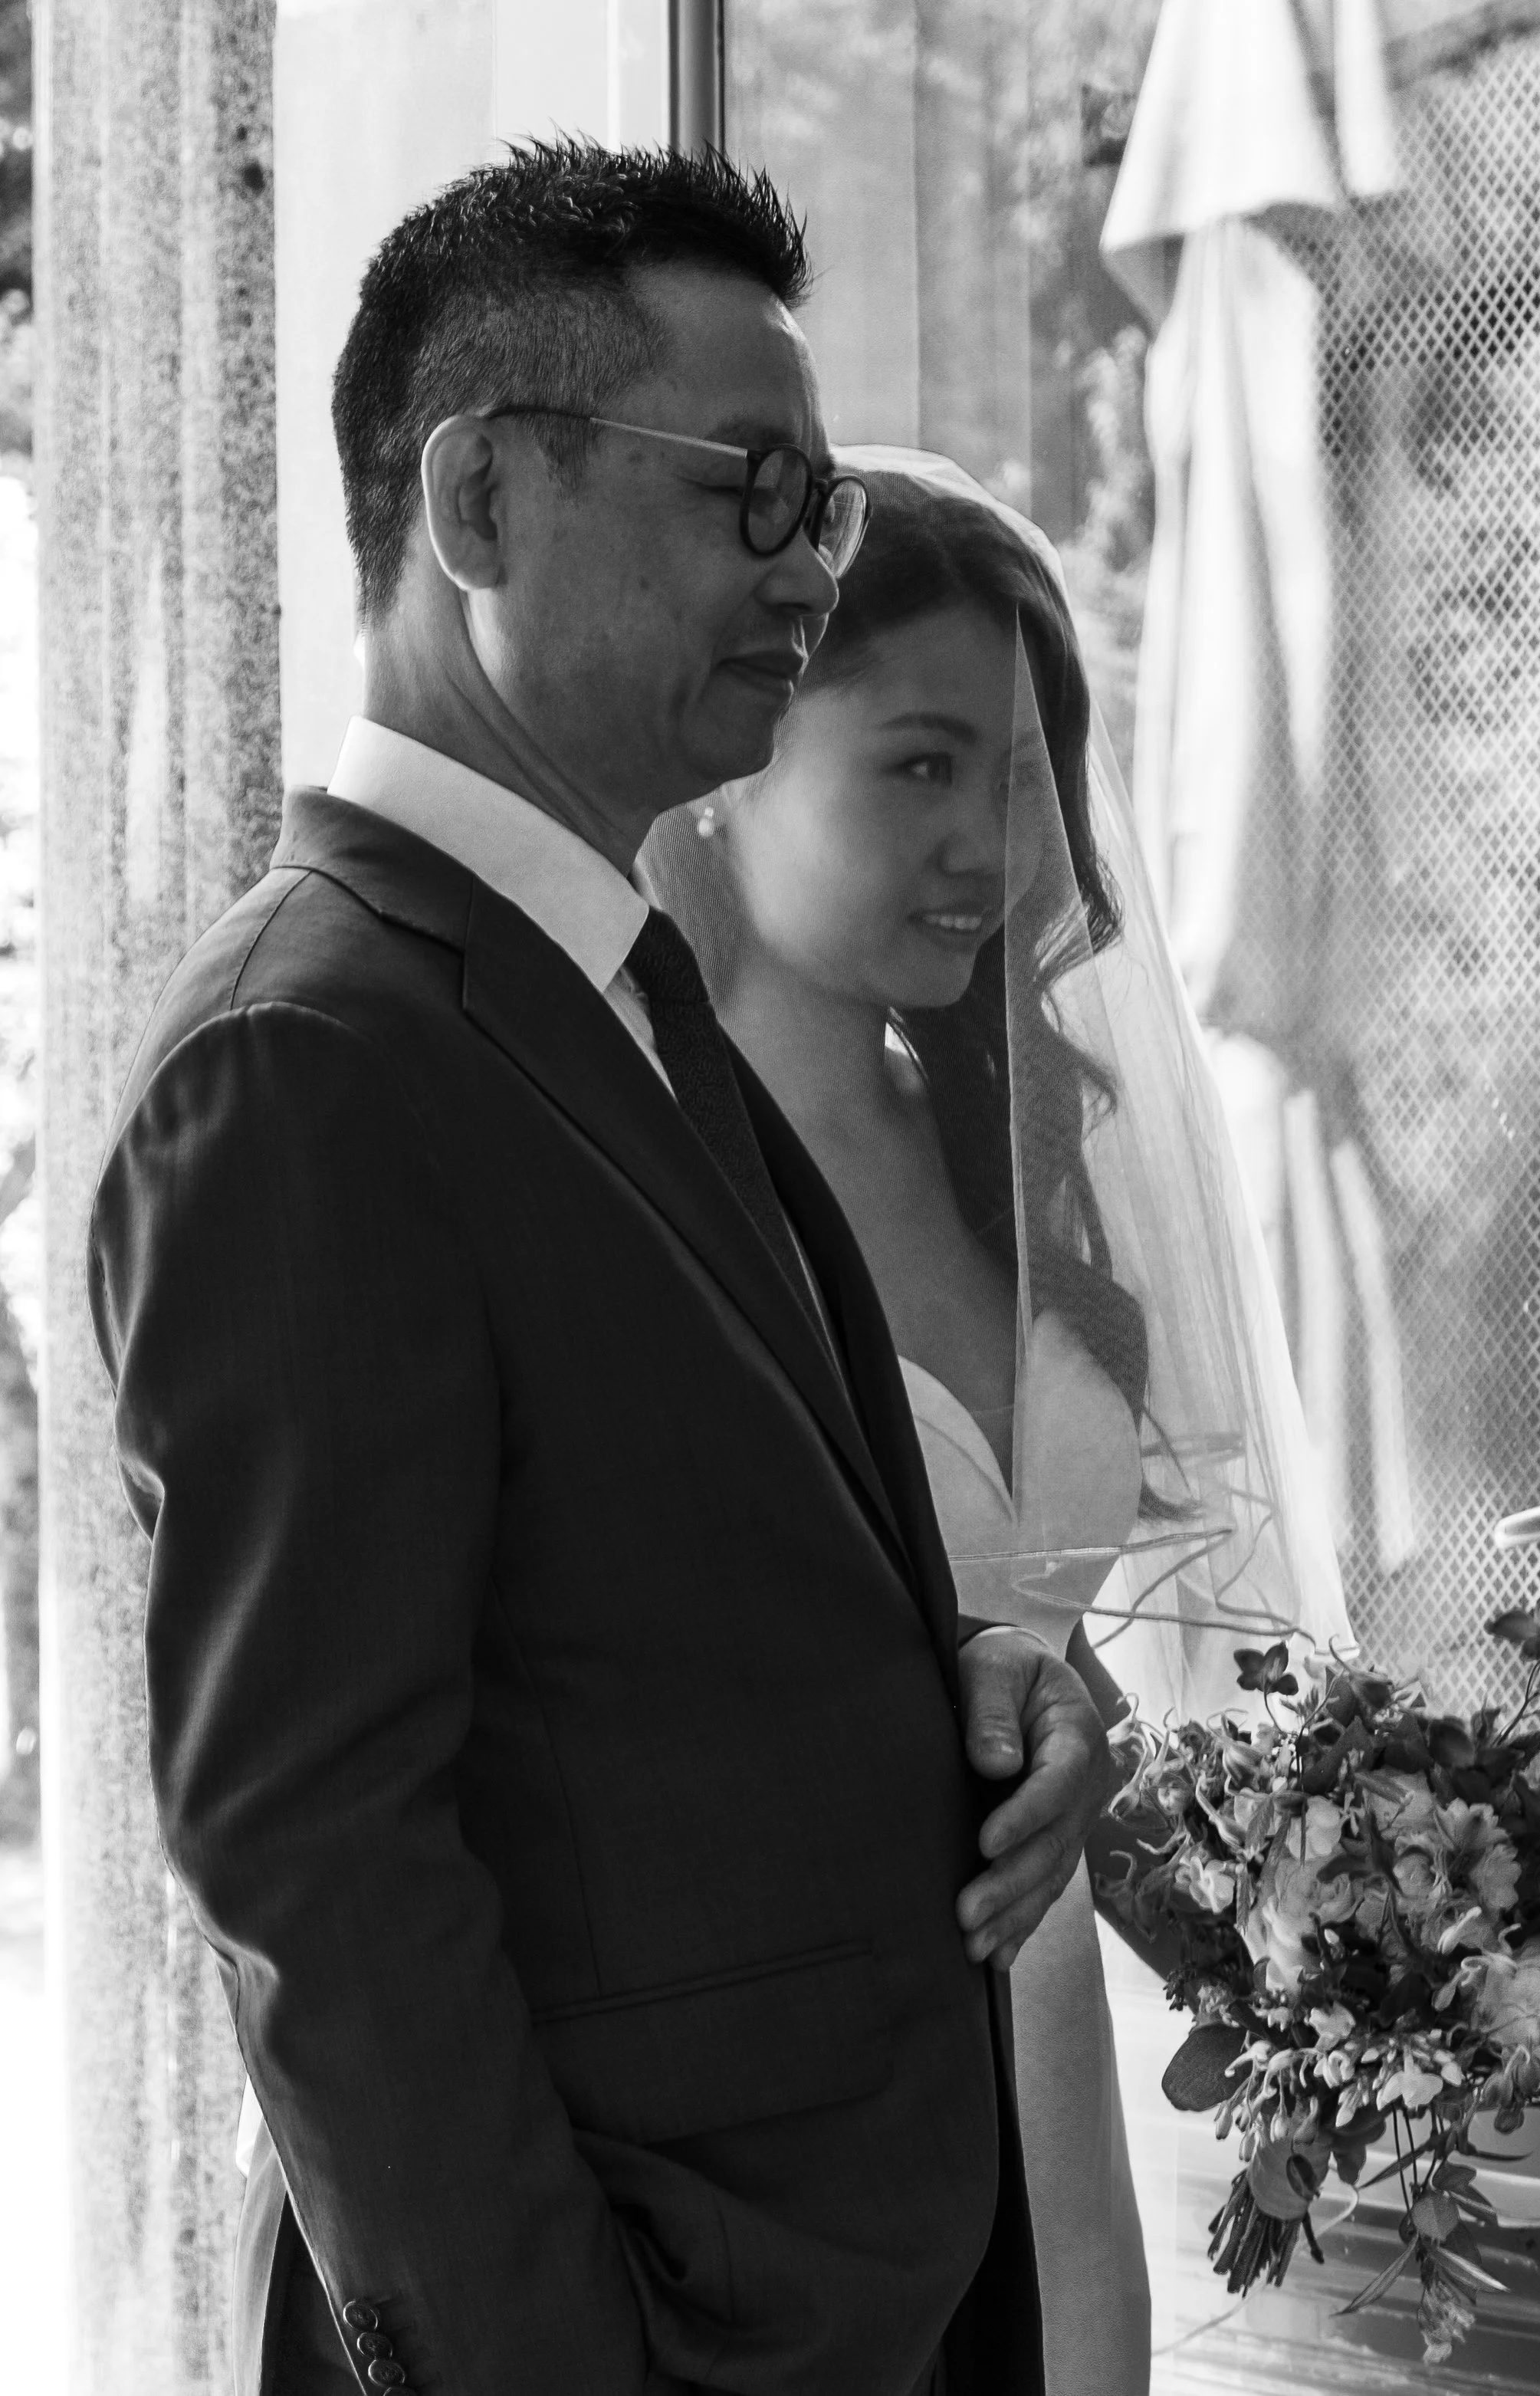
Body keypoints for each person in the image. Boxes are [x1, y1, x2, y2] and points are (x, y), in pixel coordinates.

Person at [87, 147, 1111, 2396]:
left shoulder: (617, 988)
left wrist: (969, 1682)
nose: (808, 566)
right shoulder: (302, 1058)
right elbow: (317, 1860)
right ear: (479, 498)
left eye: (827, 503)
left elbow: (637, 1597)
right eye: (753, 489)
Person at [641, 453, 1351, 2396]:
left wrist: (1322, 1936)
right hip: (786, 2120)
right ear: (728, 766)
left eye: (1023, 778)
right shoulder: (643, 1175)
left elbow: (1033, 1672)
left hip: (1045, 2080)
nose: (988, 845)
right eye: (917, 766)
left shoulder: (1012, 1167)